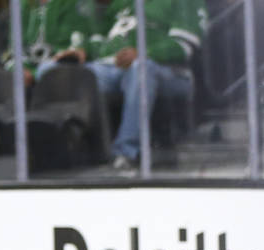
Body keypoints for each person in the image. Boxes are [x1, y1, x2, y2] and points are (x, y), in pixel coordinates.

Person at [85, 0, 204, 170]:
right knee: (77, 73)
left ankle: (127, 152)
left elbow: (183, 46)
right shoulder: (122, 3)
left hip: (169, 72)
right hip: (113, 67)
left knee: (141, 68)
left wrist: (143, 53)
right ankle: (79, 152)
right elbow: (99, 39)